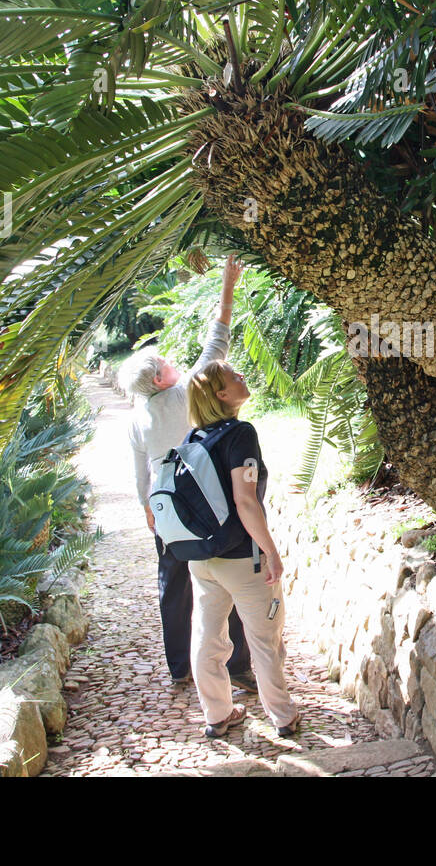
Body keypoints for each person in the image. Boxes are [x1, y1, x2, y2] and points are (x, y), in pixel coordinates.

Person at [120, 256, 256, 693]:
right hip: (206, 493)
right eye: (164, 364)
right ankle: (237, 665)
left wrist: (146, 507)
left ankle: (179, 666)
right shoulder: (185, 394)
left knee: (172, 584)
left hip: (166, 504)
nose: (171, 363)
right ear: (161, 381)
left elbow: (138, 470)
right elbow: (218, 339)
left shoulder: (137, 417)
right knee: (227, 569)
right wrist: (228, 284)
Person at [183, 358, 300, 738]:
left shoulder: (193, 438)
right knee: (265, 640)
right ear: (221, 395)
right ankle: (283, 717)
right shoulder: (240, 434)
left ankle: (217, 715)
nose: (242, 376)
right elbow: (245, 501)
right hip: (240, 559)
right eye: (235, 376)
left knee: (208, 636)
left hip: (202, 559)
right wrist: (271, 552)